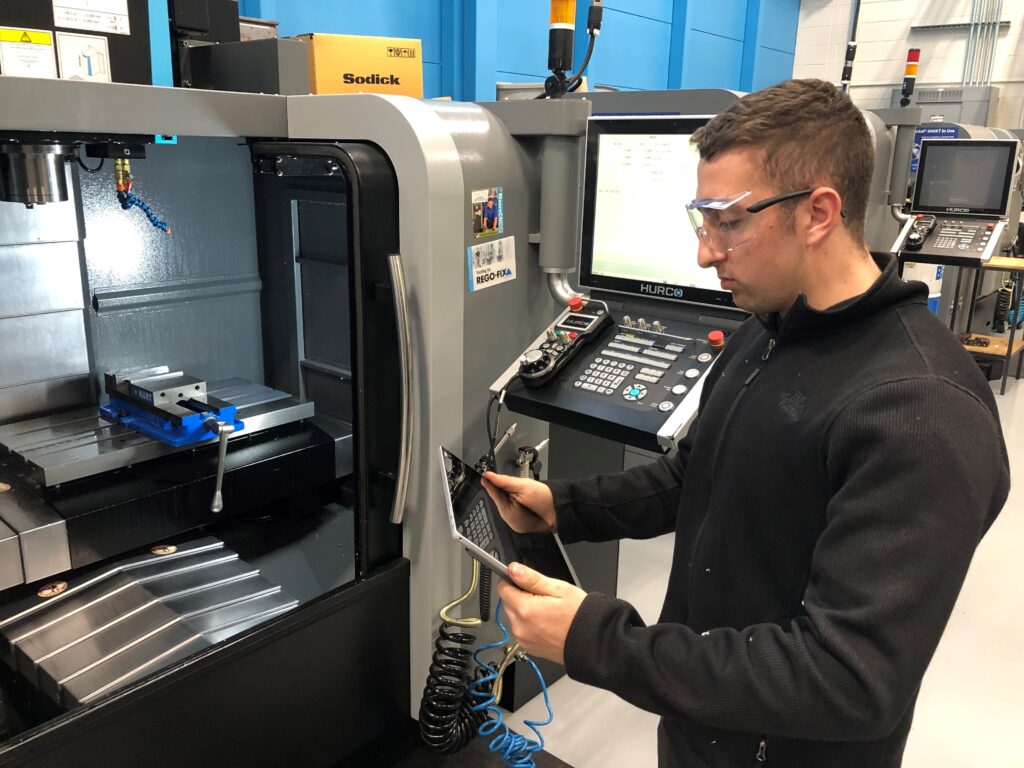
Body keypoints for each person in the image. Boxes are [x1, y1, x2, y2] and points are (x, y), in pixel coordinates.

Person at [482, 79, 1010, 767]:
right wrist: (564, 508)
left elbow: (848, 679)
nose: (705, 252)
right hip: (704, 721)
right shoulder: (767, 332)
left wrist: (595, 638)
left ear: (819, 212)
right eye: (701, 220)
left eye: (728, 221)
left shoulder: (921, 411)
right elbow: (697, 473)